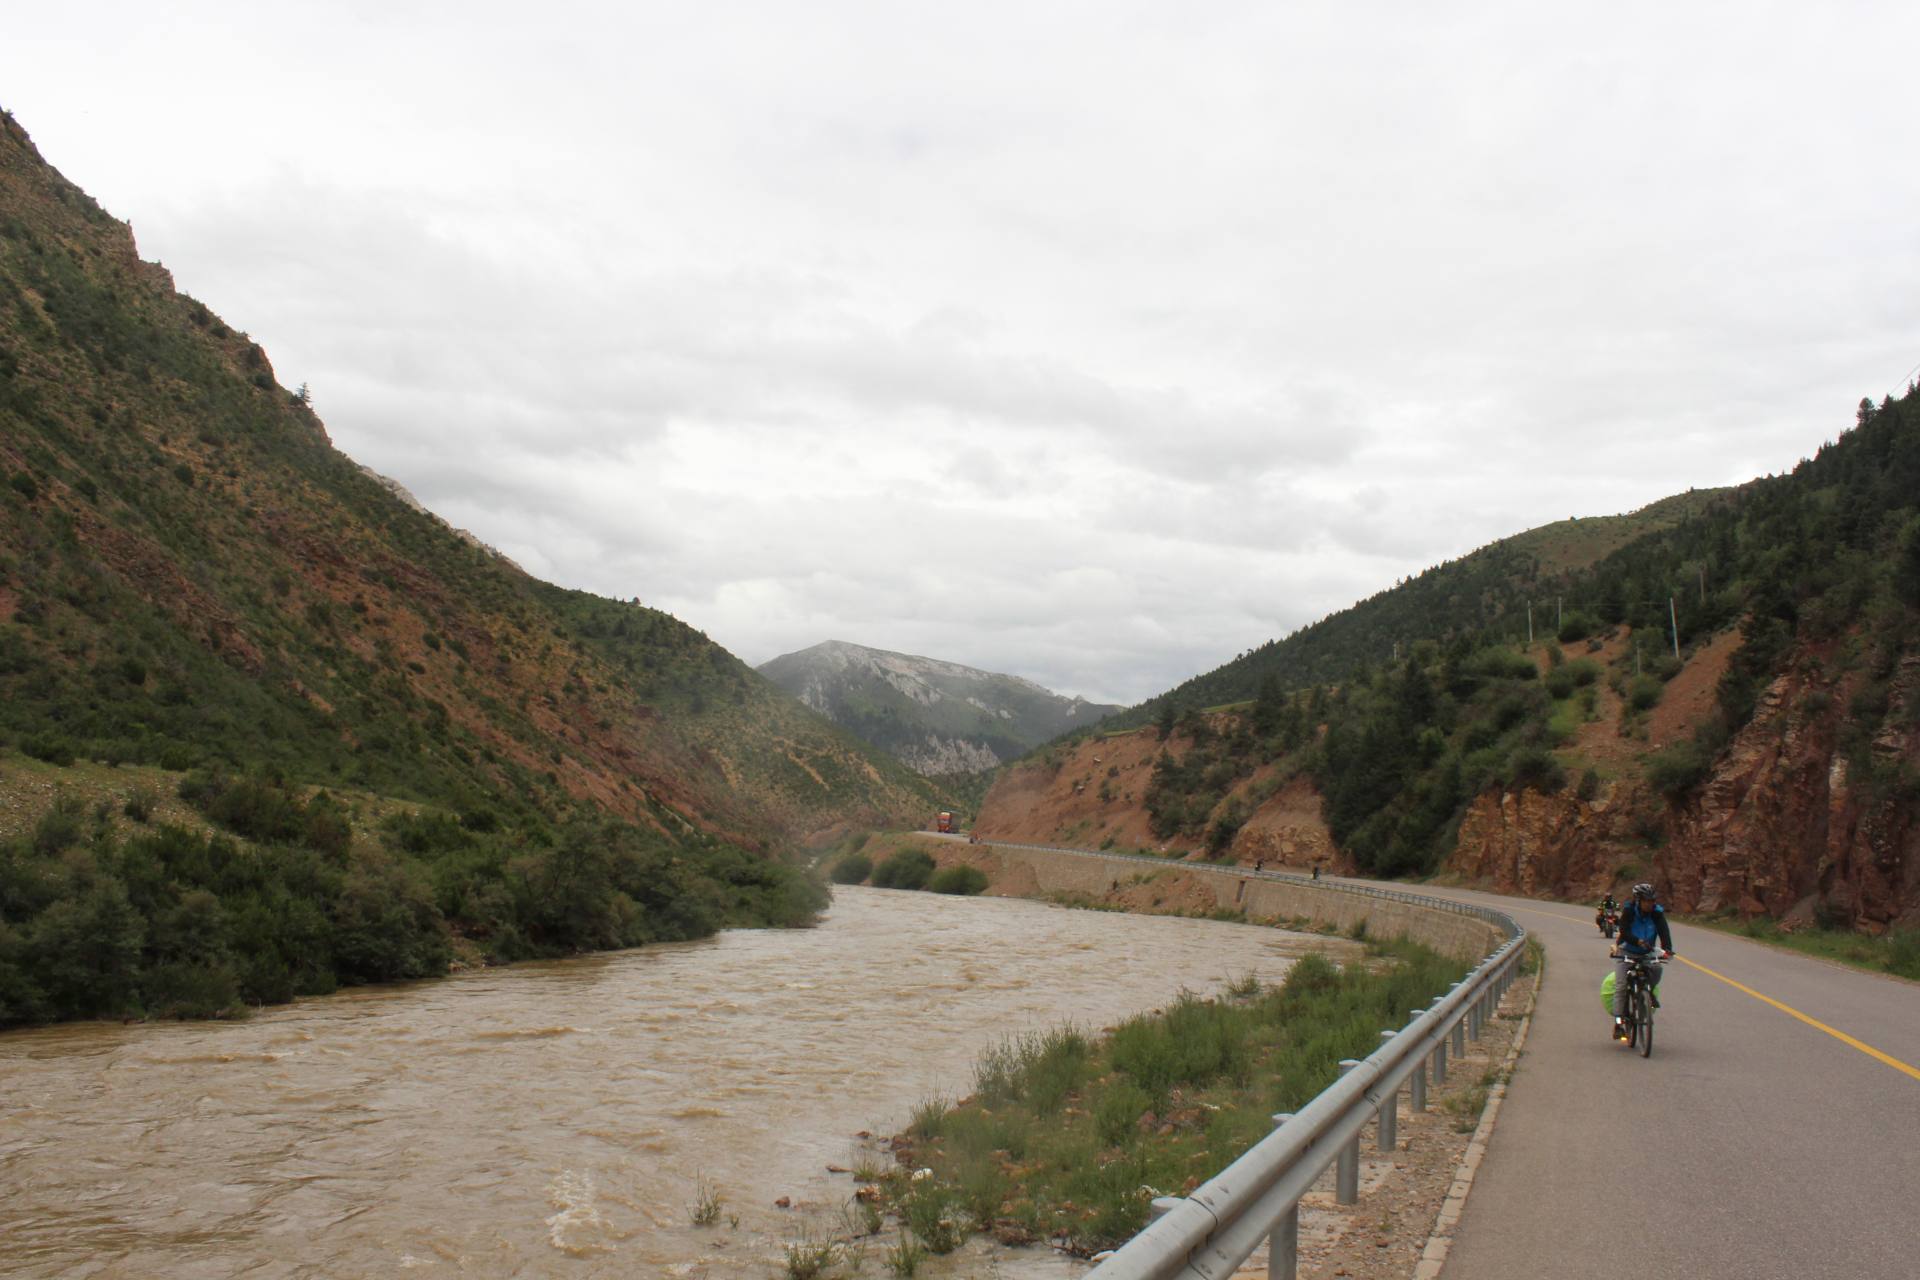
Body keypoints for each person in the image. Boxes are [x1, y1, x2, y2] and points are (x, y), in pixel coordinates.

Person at [1609, 882, 1673, 1039]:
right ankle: (1618, 1023)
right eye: (1646, 901)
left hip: (1647, 952)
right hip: (1627, 950)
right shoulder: (1629, 911)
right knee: (1621, 987)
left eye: (1652, 901)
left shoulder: (1657, 913)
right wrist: (1637, 941)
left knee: (1657, 968)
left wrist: (1667, 949)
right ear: (1638, 900)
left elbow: (1664, 932)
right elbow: (1623, 931)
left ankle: (1648, 992)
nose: (1650, 904)